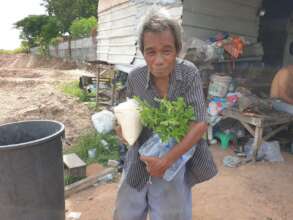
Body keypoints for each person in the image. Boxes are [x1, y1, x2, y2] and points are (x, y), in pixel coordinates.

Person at [113, 8, 217, 220]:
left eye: (166, 51)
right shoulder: (135, 78)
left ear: (177, 50)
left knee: (171, 214)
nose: (159, 60)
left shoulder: (189, 73)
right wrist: (124, 131)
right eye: (151, 52)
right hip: (139, 159)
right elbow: (130, 117)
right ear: (143, 52)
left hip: (174, 159)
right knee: (126, 213)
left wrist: (166, 161)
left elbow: (199, 124)